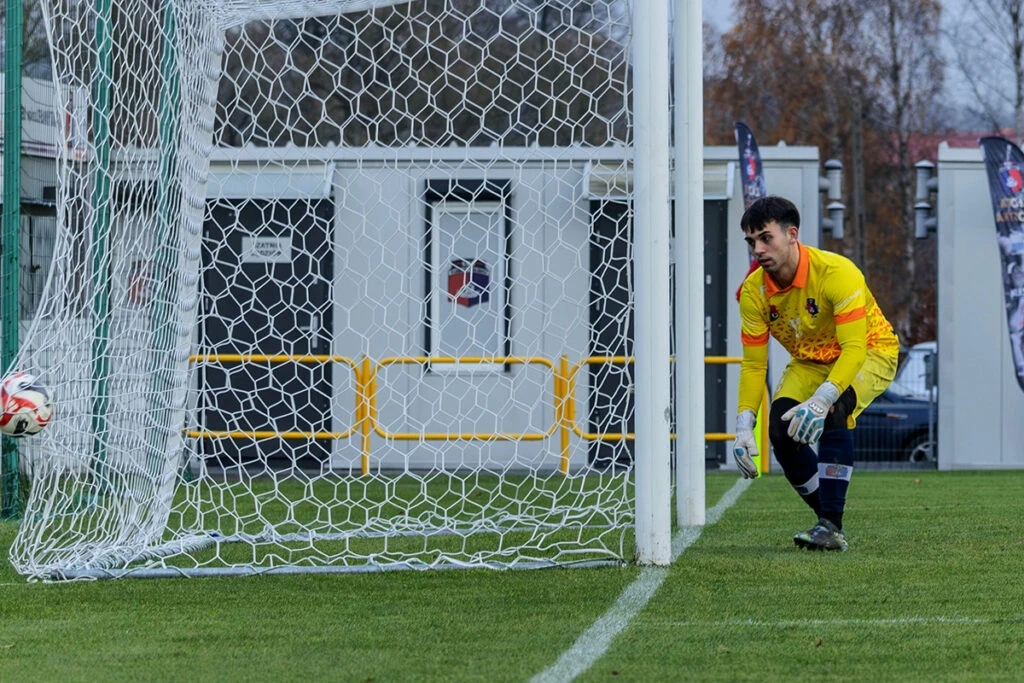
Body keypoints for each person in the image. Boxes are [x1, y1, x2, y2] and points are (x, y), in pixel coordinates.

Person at [731, 196, 900, 551]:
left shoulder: (837, 273)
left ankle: (831, 525)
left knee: (836, 408)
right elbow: (754, 365)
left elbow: (853, 349)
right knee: (780, 430)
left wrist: (823, 398)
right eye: (751, 241)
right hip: (809, 360)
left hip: (870, 351)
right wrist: (744, 424)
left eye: (766, 238)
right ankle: (828, 521)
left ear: (792, 234)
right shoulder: (752, 293)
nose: (758, 250)